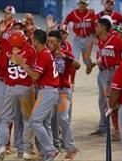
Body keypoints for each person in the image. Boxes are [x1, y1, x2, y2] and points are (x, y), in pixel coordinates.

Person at [11, 29, 60, 161]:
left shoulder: (43, 54)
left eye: (32, 40)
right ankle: (48, 153)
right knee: (44, 123)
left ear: (37, 42)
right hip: (47, 91)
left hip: (48, 91)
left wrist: (21, 63)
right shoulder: (43, 53)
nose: (31, 41)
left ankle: (51, 150)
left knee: (35, 121)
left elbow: (35, 75)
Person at [0, 31, 37, 161]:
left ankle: (1, 146)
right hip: (26, 89)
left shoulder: (7, 52)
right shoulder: (30, 50)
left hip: (10, 89)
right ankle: (26, 150)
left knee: (5, 119)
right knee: (27, 120)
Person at [88, 18, 122, 139]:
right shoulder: (102, 42)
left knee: (113, 102)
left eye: (97, 26)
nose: (96, 28)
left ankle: (118, 130)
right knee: (104, 102)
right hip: (105, 72)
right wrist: (94, 64)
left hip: (115, 72)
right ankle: (106, 128)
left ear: (103, 28)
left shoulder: (117, 40)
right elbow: (103, 58)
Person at [47, 30, 81, 160]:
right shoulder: (46, 53)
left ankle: (71, 147)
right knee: (52, 120)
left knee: (63, 118)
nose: (50, 44)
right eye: (49, 42)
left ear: (60, 42)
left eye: (53, 42)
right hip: (50, 91)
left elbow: (78, 65)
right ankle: (56, 146)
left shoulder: (66, 53)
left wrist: (64, 57)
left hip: (63, 91)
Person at [63, 0, 97, 74]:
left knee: (86, 60)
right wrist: (64, 31)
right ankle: (72, 80)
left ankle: (89, 65)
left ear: (87, 5)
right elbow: (66, 22)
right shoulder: (74, 13)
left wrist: (96, 38)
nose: (82, 5)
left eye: (84, 4)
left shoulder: (90, 13)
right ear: (78, 4)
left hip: (88, 39)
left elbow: (95, 27)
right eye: (81, 3)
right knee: (75, 59)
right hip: (77, 39)